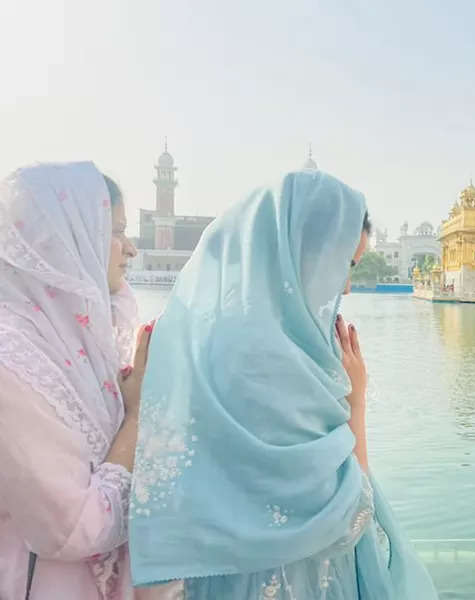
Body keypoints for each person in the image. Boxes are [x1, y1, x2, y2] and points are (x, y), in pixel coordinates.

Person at [129, 169, 438, 599]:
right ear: (300, 256)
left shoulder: (203, 347)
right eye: (343, 265)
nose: (346, 286)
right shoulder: (276, 368)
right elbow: (349, 514)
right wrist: (356, 403)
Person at [0, 162, 153, 599]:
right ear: (62, 241)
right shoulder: (13, 363)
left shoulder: (74, 342)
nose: (131, 249)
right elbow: (73, 528)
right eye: (116, 230)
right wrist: (138, 414)